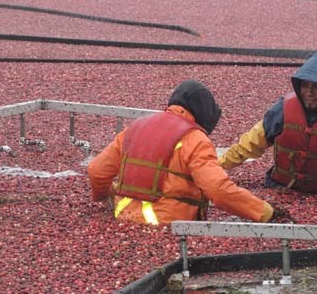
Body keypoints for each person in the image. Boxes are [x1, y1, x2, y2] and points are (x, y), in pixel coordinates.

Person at [88, 79, 274, 225]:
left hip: (123, 220)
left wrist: (105, 197)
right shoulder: (195, 139)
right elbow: (218, 190)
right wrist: (264, 212)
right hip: (169, 227)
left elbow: (96, 171)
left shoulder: (134, 128)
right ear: (204, 116)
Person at [218, 51, 317, 193]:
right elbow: (249, 144)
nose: (309, 93)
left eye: (316, 87)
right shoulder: (283, 110)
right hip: (280, 187)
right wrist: (217, 166)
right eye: (305, 86)